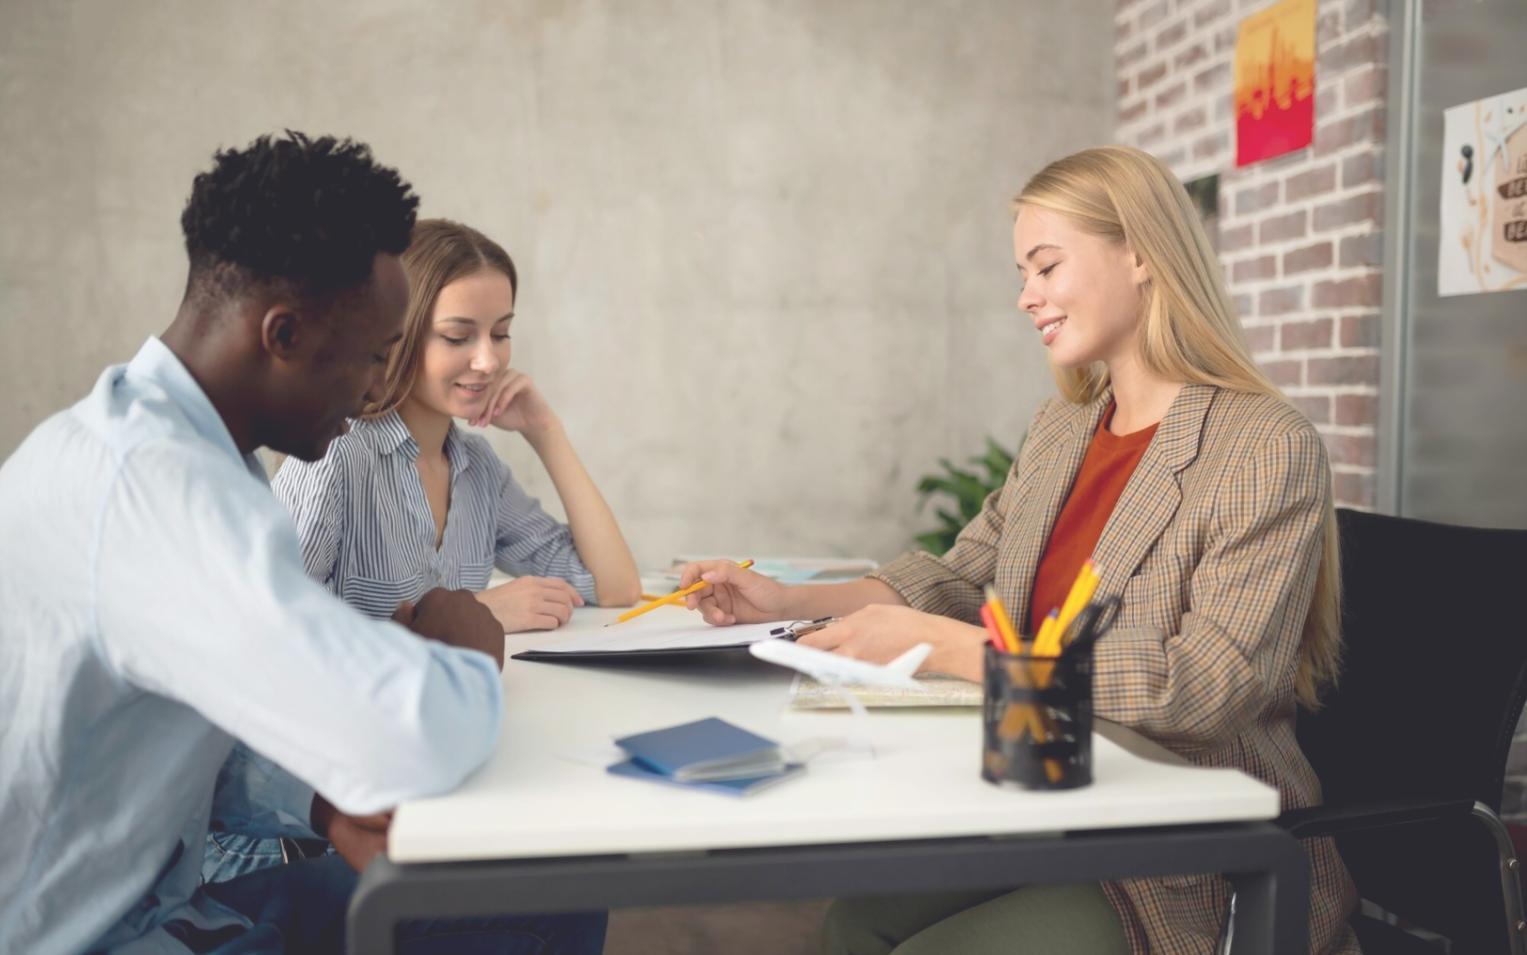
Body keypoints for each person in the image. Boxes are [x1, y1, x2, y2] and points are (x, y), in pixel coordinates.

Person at [678, 145, 1360, 954]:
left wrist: (956, 650)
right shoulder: (1063, 428)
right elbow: (960, 577)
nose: (1024, 296)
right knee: (853, 923)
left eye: (1044, 266)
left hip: (1191, 847)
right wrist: (788, 602)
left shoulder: (1260, 444)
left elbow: (1201, 686)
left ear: (1139, 251)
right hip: (1052, 796)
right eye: (1021, 272)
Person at [0, 132, 602, 954]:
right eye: (373, 354)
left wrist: (321, 802)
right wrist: (467, 644)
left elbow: (201, 723)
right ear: (281, 334)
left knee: (556, 894)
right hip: (100, 935)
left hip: (167, 899)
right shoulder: (160, 491)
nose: (370, 389)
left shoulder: (168, 445)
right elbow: (408, 739)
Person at [202, 217, 641, 884]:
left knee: (575, 874)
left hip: (420, 780)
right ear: (397, 337)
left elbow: (612, 585)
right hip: (311, 827)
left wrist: (547, 433)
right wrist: (477, 609)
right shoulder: (336, 457)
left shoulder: (477, 468)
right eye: (458, 336)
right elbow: (265, 653)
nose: (489, 360)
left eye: (500, 333)